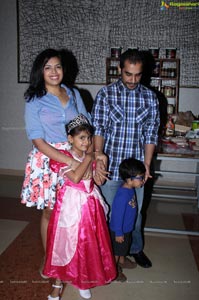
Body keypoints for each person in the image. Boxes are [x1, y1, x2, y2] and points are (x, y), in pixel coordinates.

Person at [20, 48, 93, 277]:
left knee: (75, 211)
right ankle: (49, 258)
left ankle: (73, 255)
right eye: (48, 67)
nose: (54, 71)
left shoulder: (73, 93)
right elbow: (38, 140)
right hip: (49, 160)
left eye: (58, 66)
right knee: (51, 212)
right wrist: (70, 162)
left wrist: (89, 158)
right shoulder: (34, 100)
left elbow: (86, 128)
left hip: (75, 155)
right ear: (40, 71)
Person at [91, 49, 160, 269]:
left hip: (136, 169)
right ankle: (109, 254)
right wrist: (99, 157)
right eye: (128, 74)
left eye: (138, 75)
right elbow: (99, 128)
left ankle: (135, 249)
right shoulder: (106, 94)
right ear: (120, 69)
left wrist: (148, 165)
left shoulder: (150, 97)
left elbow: (150, 134)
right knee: (110, 213)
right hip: (111, 166)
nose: (132, 80)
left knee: (135, 213)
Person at [43, 114, 117, 300]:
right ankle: (57, 284)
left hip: (90, 205)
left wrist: (100, 163)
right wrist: (90, 157)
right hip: (70, 206)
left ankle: (83, 280)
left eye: (89, 138)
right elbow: (75, 178)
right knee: (64, 245)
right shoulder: (62, 157)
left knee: (88, 243)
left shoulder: (92, 156)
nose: (87, 142)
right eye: (81, 138)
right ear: (70, 138)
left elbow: (98, 180)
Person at [110, 158, 146, 282]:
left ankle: (122, 260)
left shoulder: (130, 189)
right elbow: (117, 216)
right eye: (140, 178)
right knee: (116, 251)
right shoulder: (122, 195)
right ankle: (113, 271)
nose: (142, 181)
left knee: (123, 249)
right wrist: (119, 233)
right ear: (130, 179)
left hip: (127, 228)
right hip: (119, 230)